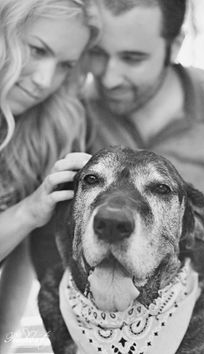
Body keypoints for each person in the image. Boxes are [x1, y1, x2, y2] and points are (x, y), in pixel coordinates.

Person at [83, 0, 204, 275]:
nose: (109, 79)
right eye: (98, 53)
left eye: (133, 58)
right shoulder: (74, 110)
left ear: (175, 45)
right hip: (104, 286)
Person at [0, 0, 96, 352]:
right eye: (37, 50)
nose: (44, 81)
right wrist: (27, 211)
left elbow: (22, 259)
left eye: (64, 66)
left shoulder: (45, 129)